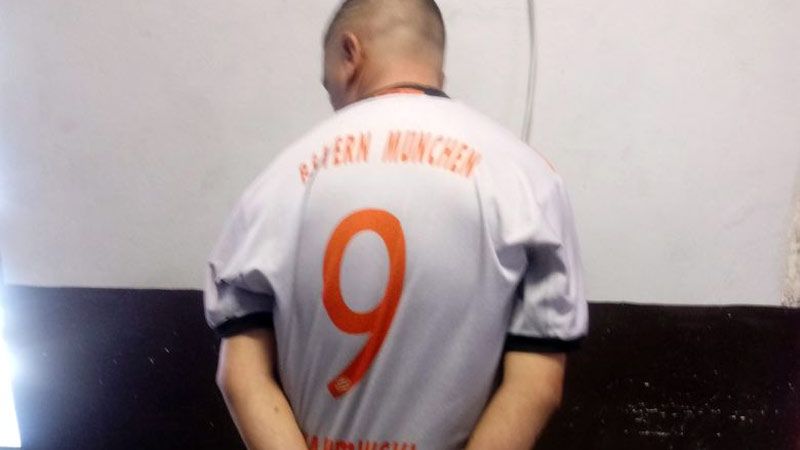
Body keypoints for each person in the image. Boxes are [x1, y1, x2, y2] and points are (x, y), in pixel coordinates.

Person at [204, 0, 588, 448]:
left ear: (350, 53)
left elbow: (241, 375)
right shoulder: (528, 181)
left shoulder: (273, 183)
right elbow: (537, 386)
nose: (333, 101)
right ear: (437, 65)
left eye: (329, 85)